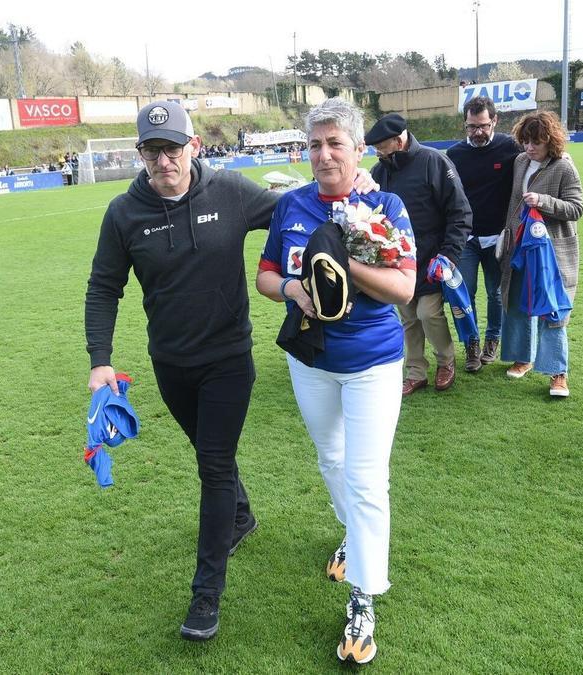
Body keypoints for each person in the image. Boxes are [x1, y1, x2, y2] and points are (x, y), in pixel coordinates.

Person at [85, 100, 377, 643]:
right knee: (207, 452)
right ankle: (240, 517)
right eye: (152, 151)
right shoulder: (123, 214)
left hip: (227, 361)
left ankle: (205, 596)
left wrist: (352, 188)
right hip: (170, 363)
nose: (164, 160)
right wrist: (100, 360)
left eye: (172, 148)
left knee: (213, 465)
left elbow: (294, 210)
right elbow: (104, 286)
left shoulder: (229, 191)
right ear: (140, 154)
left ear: (192, 145)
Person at [256, 98, 415, 665]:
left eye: (336, 144)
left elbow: (403, 289)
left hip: (373, 362)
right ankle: (353, 536)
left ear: (357, 149)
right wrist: (292, 290)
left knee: (367, 478)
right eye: (316, 145)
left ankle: (363, 599)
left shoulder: (385, 205)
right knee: (331, 458)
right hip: (310, 360)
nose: (324, 155)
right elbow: (266, 275)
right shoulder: (292, 205)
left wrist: (351, 265)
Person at [365, 113, 471, 395]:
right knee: (408, 318)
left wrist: (448, 255)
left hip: (433, 259)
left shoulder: (434, 161)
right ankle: (415, 372)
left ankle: (446, 362)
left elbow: (459, 212)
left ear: (399, 141)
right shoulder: (379, 171)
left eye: (382, 147)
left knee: (428, 314)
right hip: (397, 261)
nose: (377, 153)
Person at [496, 111, 583, 398]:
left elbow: (576, 208)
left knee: (553, 309)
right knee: (518, 301)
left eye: (537, 142)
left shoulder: (564, 167)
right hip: (520, 247)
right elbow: (512, 203)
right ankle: (525, 357)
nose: (530, 148)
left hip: (553, 251)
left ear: (551, 141)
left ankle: (559, 373)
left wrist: (543, 201)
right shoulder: (521, 162)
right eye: (526, 141)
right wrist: (507, 234)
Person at [447, 96, 522, 373]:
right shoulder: (454, 155)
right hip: (465, 239)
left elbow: (538, 159)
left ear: (495, 121)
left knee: (496, 293)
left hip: (499, 238)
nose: (477, 132)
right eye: (471, 127)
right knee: (464, 293)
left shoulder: (510, 147)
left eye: (483, 126)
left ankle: (492, 340)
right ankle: (471, 345)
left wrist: (560, 155)